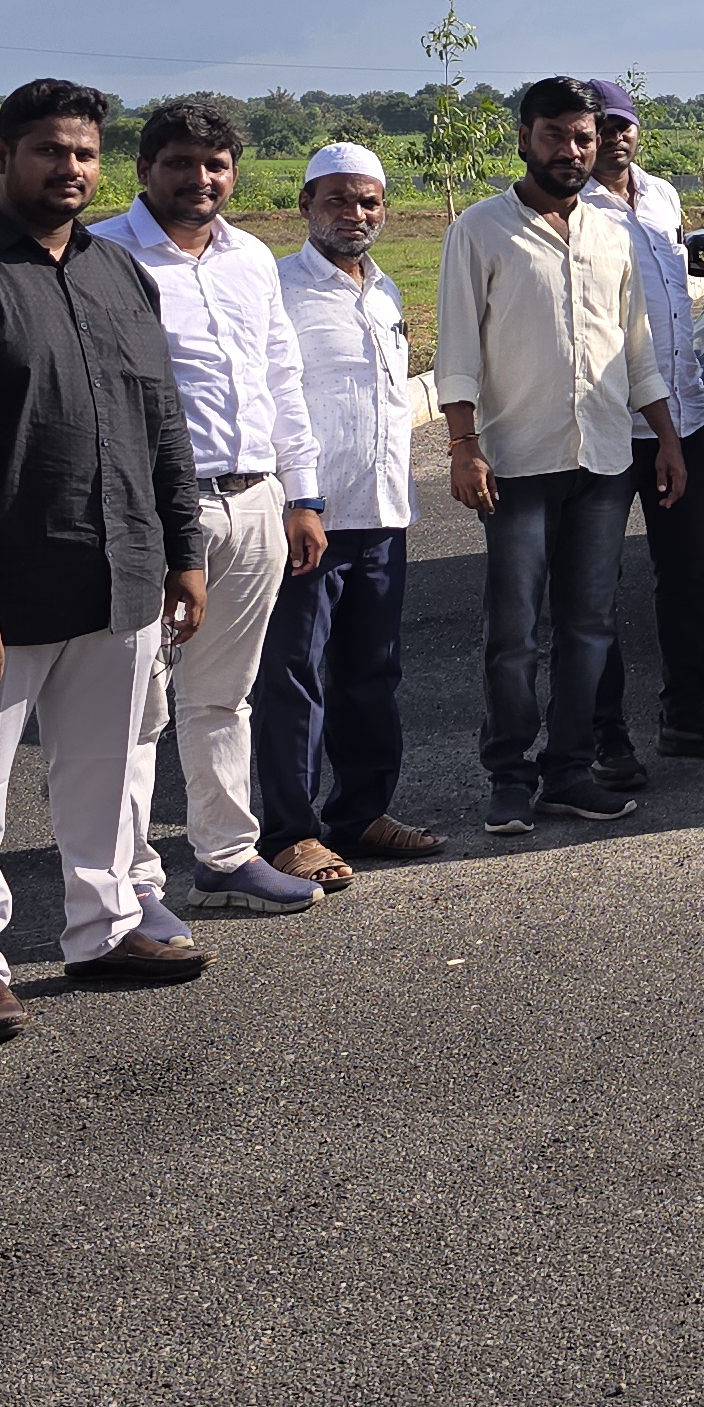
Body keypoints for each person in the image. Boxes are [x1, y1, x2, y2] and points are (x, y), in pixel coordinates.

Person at [0, 77, 212, 1030]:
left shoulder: (120, 273)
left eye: (84, 153)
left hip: (120, 571)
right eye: (49, 151)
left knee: (110, 770)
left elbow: (162, 420)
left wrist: (182, 548)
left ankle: (105, 927)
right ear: (4, 157)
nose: (69, 168)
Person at [95, 98, 328, 920]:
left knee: (224, 695)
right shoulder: (103, 255)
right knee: (137, 708)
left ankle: (226, 857)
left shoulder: (250, 258)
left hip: (255, 500)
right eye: (180, 164)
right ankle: (131, 883)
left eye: (216, 164)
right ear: (143, 170)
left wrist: (301, 495)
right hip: (159, 510)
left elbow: (280, 377)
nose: (200, 179)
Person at [436, 76, 680, 835]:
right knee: (514, 635)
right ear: (524, 138)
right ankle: (509, 775)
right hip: (516, 464)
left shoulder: (612, 233)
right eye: (555, 136)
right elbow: (456, 352)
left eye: (583, 137)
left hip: (604, 460)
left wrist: (668, 439)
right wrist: (464, 446)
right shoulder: (481, 229)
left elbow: (637, 350)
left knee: (590, 625)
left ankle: (569, 770)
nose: (571, 150)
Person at [253, 142, 445, 872]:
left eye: (369, 201)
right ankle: (289, 833)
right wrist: (298, 500)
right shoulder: (279, 290)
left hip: (383, 515)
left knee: (372, 674)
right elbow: (268, 404)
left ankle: (361, 814)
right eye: (337, 199)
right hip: (310, 518)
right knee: (294, 677)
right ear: (306, 205)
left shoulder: (387, 291)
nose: (355, 214)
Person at [585, 79, 704, 777]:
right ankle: (605, 737)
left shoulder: (660, 196)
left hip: (683, 414)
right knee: (594, 588)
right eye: (600, 127)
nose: (614, 138)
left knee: (686, 575)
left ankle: (685, 715)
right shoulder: (570, 208)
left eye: (622, 125)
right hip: (605, 423)